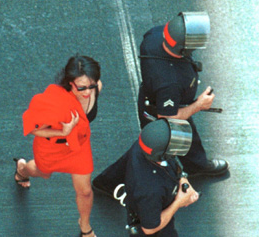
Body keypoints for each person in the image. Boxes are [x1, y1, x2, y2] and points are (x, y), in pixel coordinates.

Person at [92, 11, 228, 198]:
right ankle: (107, 182)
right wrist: (198, 105)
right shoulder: (168, 82)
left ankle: (196, 165)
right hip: (160, 110)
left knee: (187, 128)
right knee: (152, 146)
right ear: (183, 49)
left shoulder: (155, 36)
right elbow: (168, 118)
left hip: (161, 97)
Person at [14, 55, 102, 237]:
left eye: (91, 86)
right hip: (52, 147)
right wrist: (62, 132)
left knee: (85, 191)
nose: (87, 92)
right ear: (70, 83)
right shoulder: (53, 101)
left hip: (78, 146)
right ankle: (22, 169)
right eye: (81, 87)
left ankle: (85, 226)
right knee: (41, 171)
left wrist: (72, 133)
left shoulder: (96, 88)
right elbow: (34, 129)